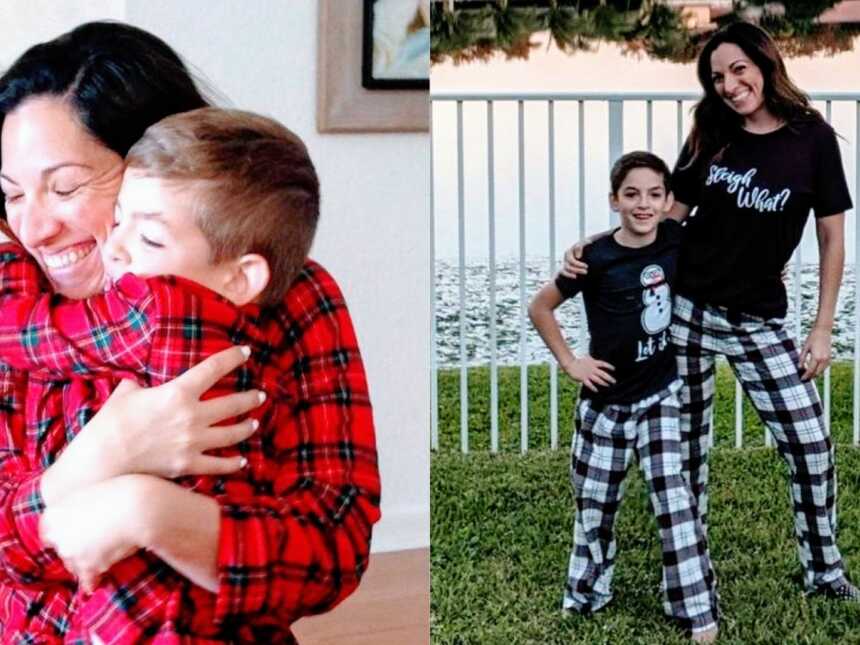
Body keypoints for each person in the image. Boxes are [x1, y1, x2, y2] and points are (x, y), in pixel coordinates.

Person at [0, 22, 380, 644]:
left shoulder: (293, 295)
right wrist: (95, 463)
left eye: (64, 187)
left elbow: (335, 546)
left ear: (159, 163)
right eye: (11, 193)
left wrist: (152, 514)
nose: (32, 227)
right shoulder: (11, 298)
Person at [563, 21, 856, 600]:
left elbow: (831, 239)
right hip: (686, 311)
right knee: (689, 452)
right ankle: (691, 579)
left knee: (810, 443)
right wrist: (600, 244)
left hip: (759, 322)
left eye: (738, 69)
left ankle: (824, 571)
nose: (728, 84)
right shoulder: (712, 130)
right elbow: (667, 218)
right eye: (717, 76)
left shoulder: (812, 139)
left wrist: (822, 329)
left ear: (765, 63)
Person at [530, 151, 719, 642]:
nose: (643, 204)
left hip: (661, 398)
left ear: (668, 201)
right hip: (605, 405)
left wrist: (763, 279)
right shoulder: (594, 258)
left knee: (673, 500)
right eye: (631, 194)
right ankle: (587, 594)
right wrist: (571, 362)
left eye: (654, 194)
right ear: (614, 200)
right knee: (595, 503)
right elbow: (541, 307)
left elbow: (726, 256)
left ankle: (695, 610)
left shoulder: (677, 239)